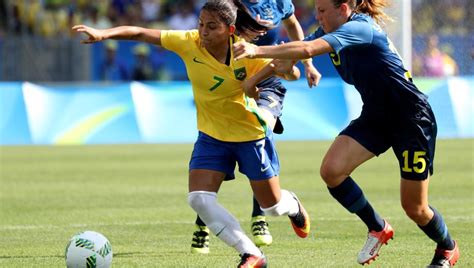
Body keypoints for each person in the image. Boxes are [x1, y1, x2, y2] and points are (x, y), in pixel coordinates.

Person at [72, 0, 310, 267]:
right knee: (198, 199)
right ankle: (252, 254)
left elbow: (289, 73)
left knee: (273, 207)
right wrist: (104, 34)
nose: (203, 32)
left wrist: (289, 70)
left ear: (230, 30)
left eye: (211, 27)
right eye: (200, 24)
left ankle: (294, 205)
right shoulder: (189, 42)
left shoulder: (247, 52)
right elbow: (139, 33)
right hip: (211, 135)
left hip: (250, 134)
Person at [233, 0, 460, 266]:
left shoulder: (360, 29)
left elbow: (306, 48)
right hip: (376, 116)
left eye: (322, 11)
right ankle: (377, 227)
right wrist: (253, 80)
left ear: (343, 9)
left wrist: (255, 50)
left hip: (411, 118)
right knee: (331, 171)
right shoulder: (329, 31)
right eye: (316, 10)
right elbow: (294, 53)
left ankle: (447, 247)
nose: (317, 17)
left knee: (415, 209)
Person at [190, 0, 323, 254]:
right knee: (219, 140)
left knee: (258, 129)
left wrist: (307, 64)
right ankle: (203, 222)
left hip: (267, 78)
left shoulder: (281, 3)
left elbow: (293, 27)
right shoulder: (230, 5)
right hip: (232, 78)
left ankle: (260, 217)